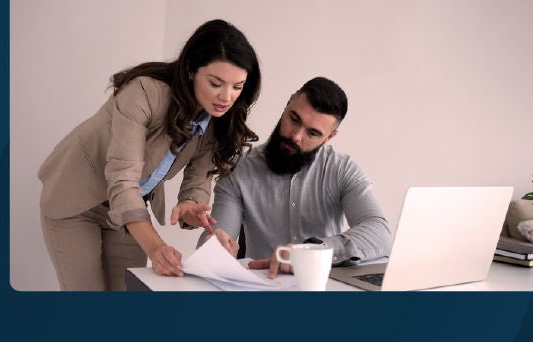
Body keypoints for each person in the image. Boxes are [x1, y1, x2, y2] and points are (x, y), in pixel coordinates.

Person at [38, 19, 262, 290]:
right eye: (216, 83)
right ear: (190, 69)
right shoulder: (144, 92)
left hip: (129, 210)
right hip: (77, 201)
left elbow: (197, 181)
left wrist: (191, 205)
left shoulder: (218, 121)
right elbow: (122, 178)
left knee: (127, 294)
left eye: (237, 87)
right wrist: (157, 248)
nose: (226, 97)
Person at [202, 77, 393, 278]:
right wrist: (214, 246)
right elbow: (215, 239)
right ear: (288, 102)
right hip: (262, 289)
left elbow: (380, 233)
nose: (296, 136)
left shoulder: (342, 169)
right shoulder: (238, 169)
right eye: (294, 118)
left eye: (312, 133)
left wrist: (313, 252)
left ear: (329, 137)